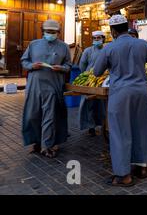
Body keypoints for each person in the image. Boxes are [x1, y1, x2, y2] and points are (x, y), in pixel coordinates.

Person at [93, 15, 147, 187]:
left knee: (120, 132)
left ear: (113, 31)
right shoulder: (143, 44)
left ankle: (124, 175)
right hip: (141, 93)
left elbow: (96, 72)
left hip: (120, 94)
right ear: (127, 27)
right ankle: (142, 167)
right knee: (142, 128)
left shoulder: (109, 48)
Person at [21, 20, 72, 159]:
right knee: (33, 115)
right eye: (48, 32)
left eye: (53, 32)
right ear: (43, 31)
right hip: (35, 85)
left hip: (53, 85)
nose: (50, 34)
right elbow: (24, 61)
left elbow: (68, 65)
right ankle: (36, 141)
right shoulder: (33, 44)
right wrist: (32, 65)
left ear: (58, 32)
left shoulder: (64, 47)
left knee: (50, 117)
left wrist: (61, 68)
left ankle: (47, 146)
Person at [78, 31, 107, 136]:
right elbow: (82, 65)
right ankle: (91, 127)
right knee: (89, 104)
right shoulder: (87, 51)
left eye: (99, 38)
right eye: (94, 38)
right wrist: (86, 76)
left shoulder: (107, 50)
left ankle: (103, 124)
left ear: (103, 38)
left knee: (102, 105)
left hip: (103, 81)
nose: (97, 40)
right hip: (90, 81)